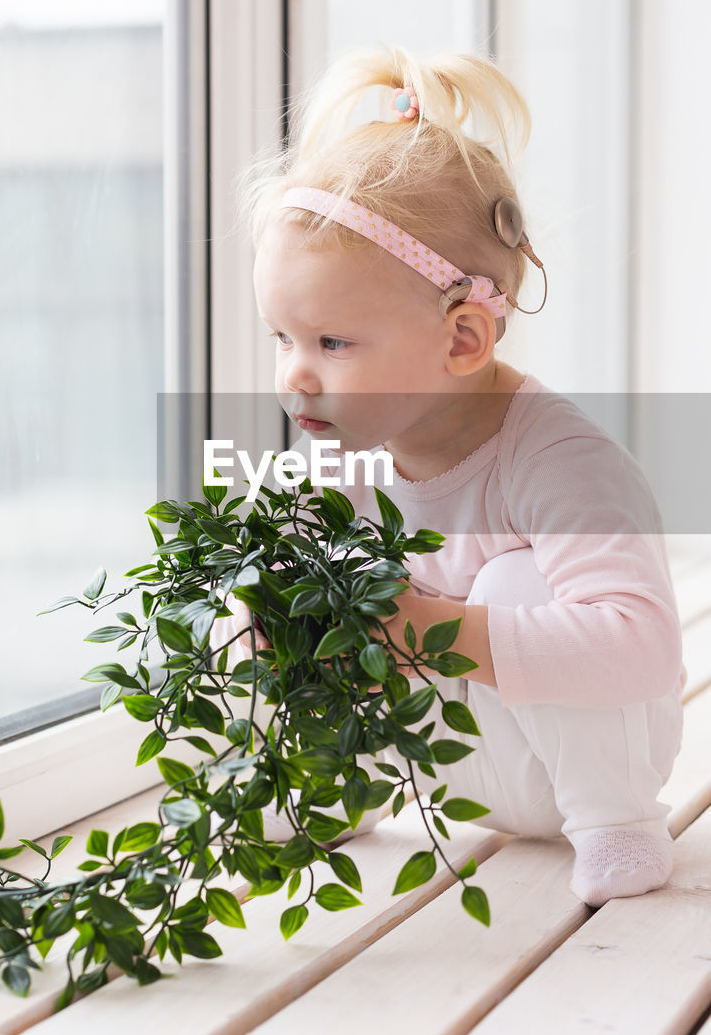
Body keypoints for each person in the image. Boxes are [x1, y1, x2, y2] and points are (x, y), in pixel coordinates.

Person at [209, 47, 685, 908]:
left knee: (516, 577)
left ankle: (621, 824)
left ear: (463, 339)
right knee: (295, 580)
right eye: (282, 338)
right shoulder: (337, 450)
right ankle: (331, 787)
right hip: (436, 770)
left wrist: (423, 624)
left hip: (572, 769)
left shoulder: (557, 461)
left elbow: (641, 649)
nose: (293, 377)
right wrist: (256, 616)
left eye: (332, 343)